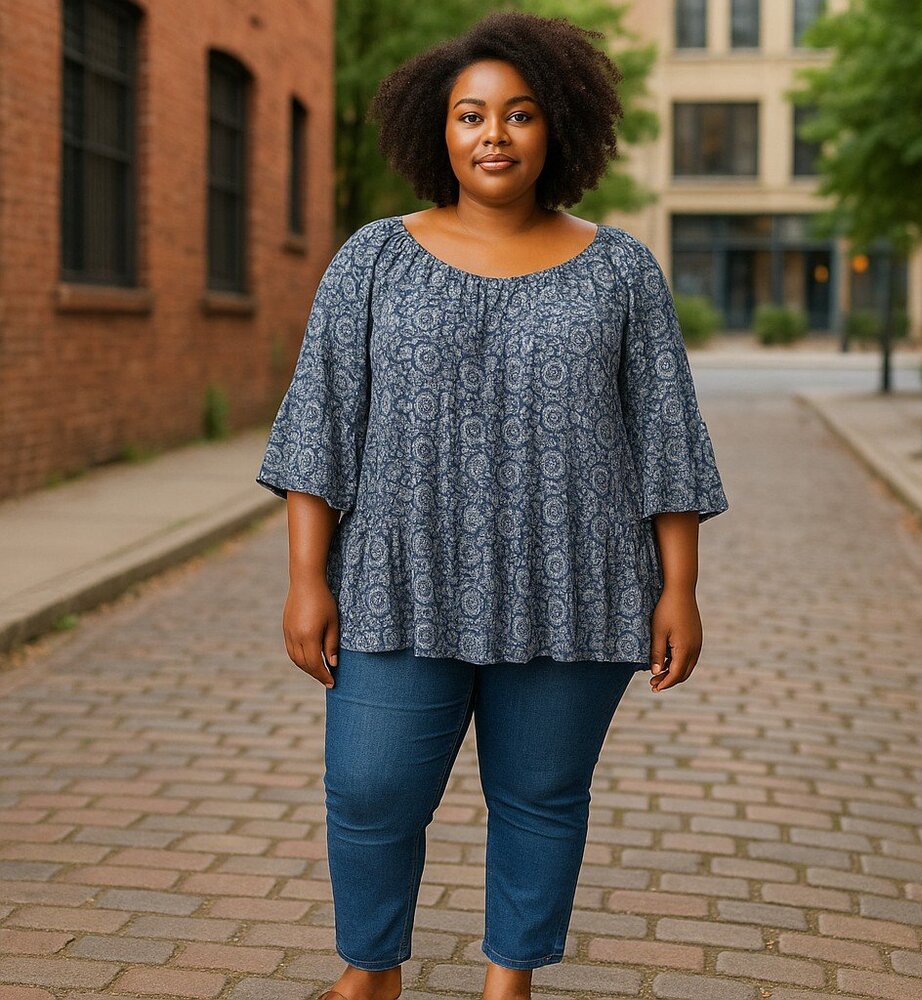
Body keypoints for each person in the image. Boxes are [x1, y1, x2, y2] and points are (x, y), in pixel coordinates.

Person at [255, 10, 729, 1000]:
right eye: (471, 115)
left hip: (578, 586)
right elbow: (321, 427)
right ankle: (371, 967)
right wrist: (306, 577)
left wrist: (678, 586)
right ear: (440, 129)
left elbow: (666, 439)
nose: (494, 135)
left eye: (517, 114)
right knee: (371, 787)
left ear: (555, 126)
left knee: (541, 795)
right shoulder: (372, 259)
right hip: (398, 578)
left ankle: (508, 977)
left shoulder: (621, 270)